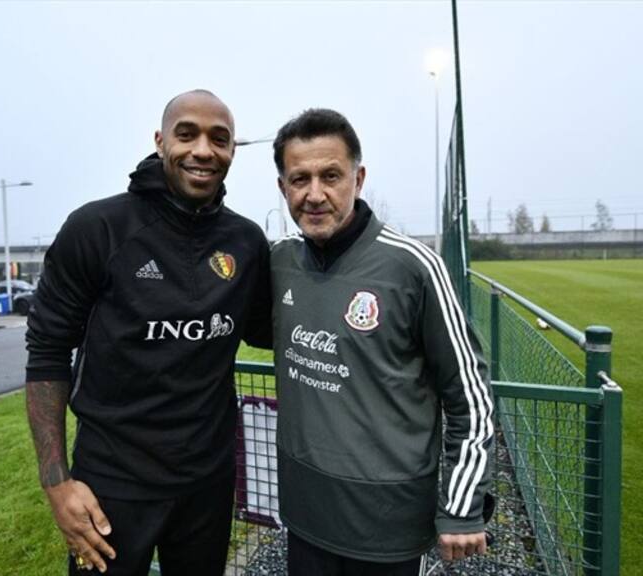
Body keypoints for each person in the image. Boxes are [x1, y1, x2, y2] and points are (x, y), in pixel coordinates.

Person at [25, 89, 272, 575]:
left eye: (219, 139)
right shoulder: (97, 228)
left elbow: (269, 330)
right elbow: (48, 353)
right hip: (112, 482)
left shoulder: (246, 242)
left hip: (207, 481)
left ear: (232, 151)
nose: (203, 150)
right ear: (160, 142)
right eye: (187, 134)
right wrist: (57, 483)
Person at [270, 109, 494, 575]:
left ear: (359, 177)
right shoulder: (278, 263)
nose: (315, 194)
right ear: (282, 187)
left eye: (331, 176)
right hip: (304, 514)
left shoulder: (414, 266)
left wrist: (462, 504)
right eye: (299, 179)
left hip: (386, 526)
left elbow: (469, 394)